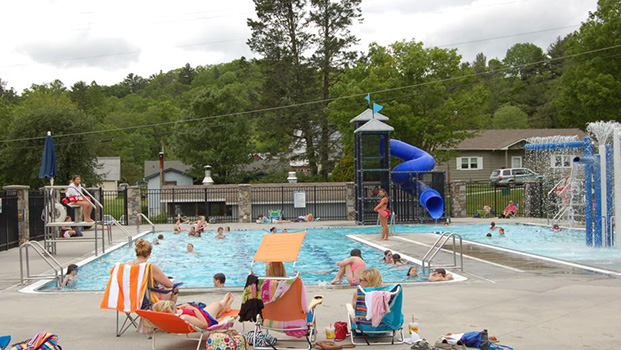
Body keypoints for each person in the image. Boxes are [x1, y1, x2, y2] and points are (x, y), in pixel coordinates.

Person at [152, 293, 234, 329]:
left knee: (216, 308)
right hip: (207, 318)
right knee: (217, 305)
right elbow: (204, 325)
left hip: (201, 313)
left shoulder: (174, 315)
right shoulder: (185, 317)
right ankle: (226, 303)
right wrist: (194, 309)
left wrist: (182, 308)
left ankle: (223, 308)